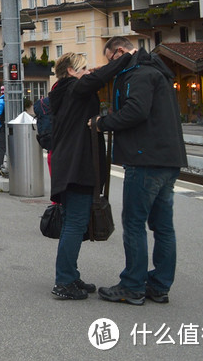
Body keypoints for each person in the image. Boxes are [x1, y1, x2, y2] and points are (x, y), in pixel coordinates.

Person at [93, 37, 188, 306]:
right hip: (168, 160)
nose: (112, 65)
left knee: (134, 224)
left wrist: (102, 123)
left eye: (111, 59)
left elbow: (135, 111)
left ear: (120, 52)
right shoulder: (158, 70)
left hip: (145, 159)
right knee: (163, 227)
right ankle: (159, 286)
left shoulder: (138, 73)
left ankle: (132, 286)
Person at [48, 51, 128, 300]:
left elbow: (93, 79)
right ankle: (64, 282)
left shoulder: (64, 90)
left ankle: (70, 275)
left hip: (70, 164)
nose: (87, 72)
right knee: (74, 224)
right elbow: (97, 79)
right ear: (71, 71)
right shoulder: (74, 88)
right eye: (83, 69)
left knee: (75, 222)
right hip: (77, 166)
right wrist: (124, 59)